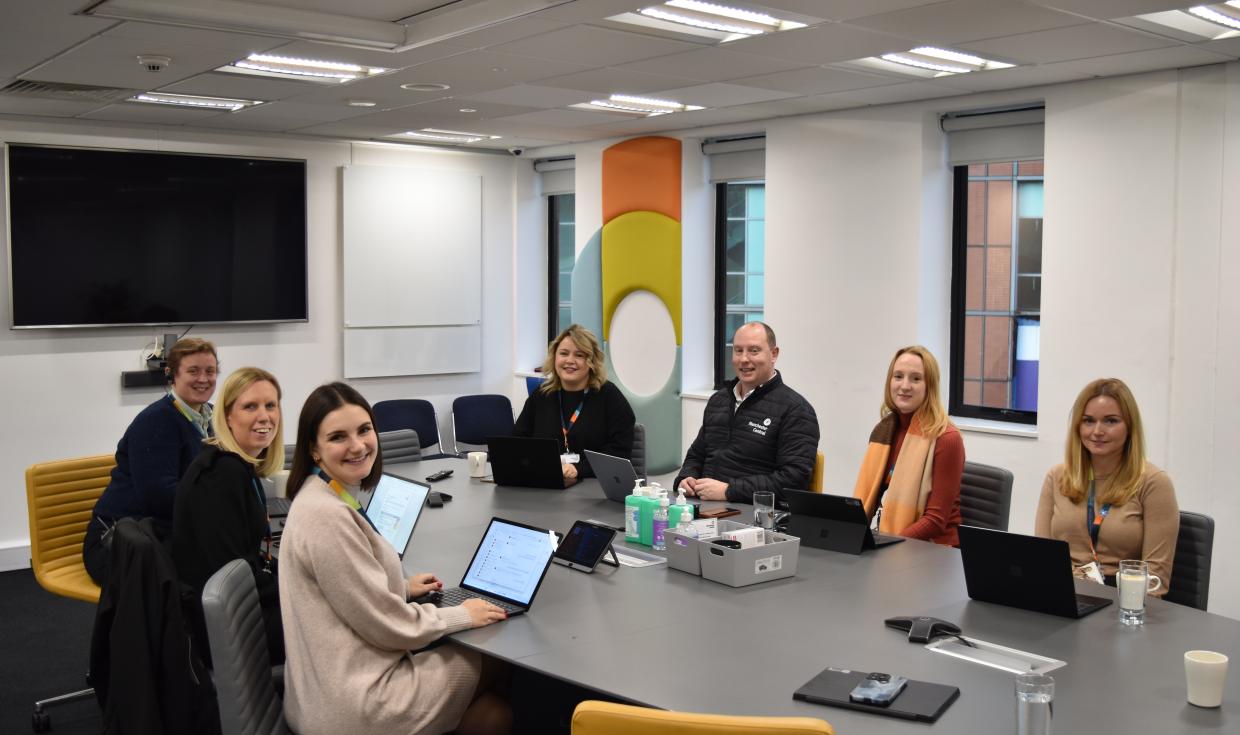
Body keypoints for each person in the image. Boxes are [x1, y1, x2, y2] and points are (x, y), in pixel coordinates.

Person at [279, 382, 511, 735]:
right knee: (499, 657)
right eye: (338, 437)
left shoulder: (323, 494)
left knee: (493, 715)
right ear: (314, 449)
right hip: (356, 704)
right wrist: (461, 614)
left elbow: (345, 588)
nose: (357, 446)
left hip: (334, 687)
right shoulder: (325, 516)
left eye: (364, 430)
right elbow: (388, 626)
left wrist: (399, 587)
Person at [172, 366, 285, 663]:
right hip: (228, 630)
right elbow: (233, 578)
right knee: (336, 616)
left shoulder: (230, 465)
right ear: (228, 416)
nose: (265, 416)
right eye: (250, 406)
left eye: (271, 405)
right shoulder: (220, 477)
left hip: (235, 612)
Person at [84, 337, 218, 584]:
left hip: (164, 533)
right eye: (193, 371)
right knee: (206, 575)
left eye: (210, 371)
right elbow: (160, 497)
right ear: (171, 375)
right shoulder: (156, 422)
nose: (203, 379)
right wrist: (218, 508)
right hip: (119, 543)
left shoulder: (212, 416)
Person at [1035, 378, 1178, 595]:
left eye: (1111, 421)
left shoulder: (1153, 482)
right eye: (1088, 421)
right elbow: (1041, 556)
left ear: (1130, 427)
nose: (1097, 431)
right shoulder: (1057, 476)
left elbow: (1155, 580)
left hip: (1122, 597)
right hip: (1062, 591)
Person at [675, 322, 819, 503]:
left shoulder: (796, 410)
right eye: (738, 350)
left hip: (752, 515)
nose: (743, 359)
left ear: (773, 354)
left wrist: (729, 490)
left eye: (754, 350)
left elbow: (793, 480)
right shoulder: (718, 401)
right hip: (702, 507)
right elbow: (697, 455)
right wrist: (686, 478)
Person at [851, 346, 964, 546]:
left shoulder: (947, 438)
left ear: (929, 386)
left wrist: (889, 544)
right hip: (894, 541)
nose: (905, 386)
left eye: (916, 379)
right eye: (898, 376)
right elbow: (869, 498)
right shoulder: (884, 432)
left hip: (936, 551)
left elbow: (936, 521)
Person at [514, 324, 635, 486]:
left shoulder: (609, 396)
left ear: (591, 361)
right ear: (554, 357)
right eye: (563, 353)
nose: (569, 361)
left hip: (595, 488)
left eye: (579, 355)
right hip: (545, 485)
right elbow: (517, 441)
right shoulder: (542, 395)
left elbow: (619, 451)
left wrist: (579, 468)